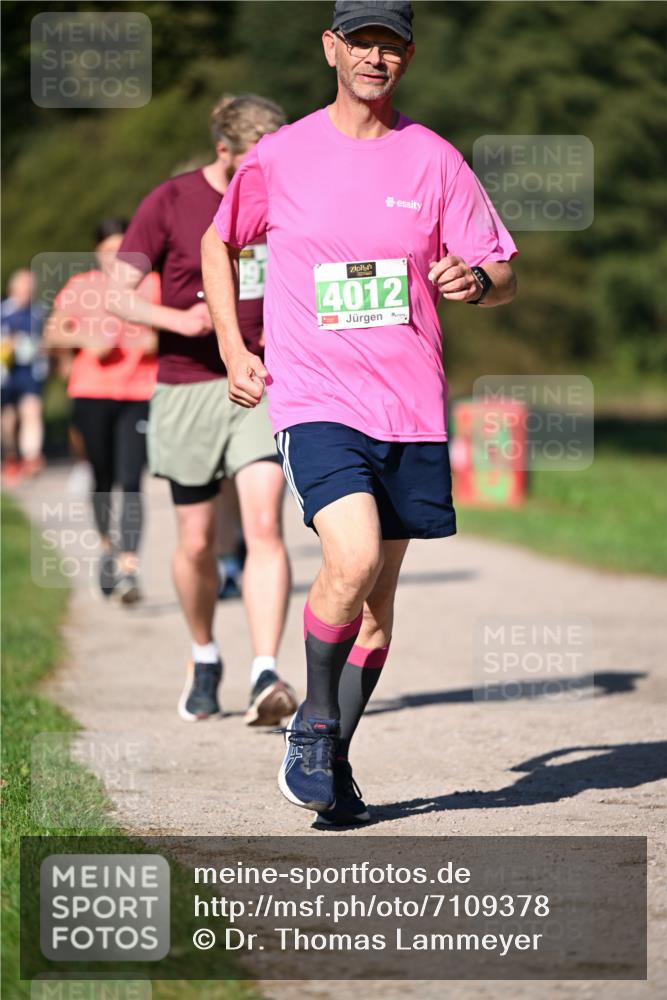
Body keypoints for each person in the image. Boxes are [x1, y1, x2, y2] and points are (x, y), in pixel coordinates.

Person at [201, 1, 518, 824]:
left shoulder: (434, 160)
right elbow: (219, 241)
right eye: (364, 43)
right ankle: (312, 723)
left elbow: (499, 266)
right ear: (331, 48)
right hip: (316, 397)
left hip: (409, 407)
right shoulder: (283, 154)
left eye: (393, 46)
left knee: (377, 608)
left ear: (407, 58)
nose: (378, 59)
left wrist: (475, 283)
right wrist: (237, 350)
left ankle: (330, 757)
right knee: (350, 558)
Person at [106, 95, 297, 727]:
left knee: (264, 524)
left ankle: (265, 670)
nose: (265, 171)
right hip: (188, 386)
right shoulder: (171, 201)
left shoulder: (287, 193)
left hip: (263, 384)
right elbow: (119, 295)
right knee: (194, 542)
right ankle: (204, 653)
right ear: (224, 151)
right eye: (253, 159)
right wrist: (182, 317)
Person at [44, 219, 159, 603]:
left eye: (121, 248)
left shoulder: (151, 285)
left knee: (131, 479)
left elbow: (178, 328)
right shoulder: (81, 287)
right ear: (96, 252)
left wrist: (154, 340)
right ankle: (108, 550)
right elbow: (52, 332)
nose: (115, 256)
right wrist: (84, 339)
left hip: (138, 394)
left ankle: (128, 568)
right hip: (91, 393)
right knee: (102, 478)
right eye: (107, 249)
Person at [1, 269, 48, 482]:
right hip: (6, 373)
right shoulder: (3, 312)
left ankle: (31, 457)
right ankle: (11, 457)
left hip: (30, 372)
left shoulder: (39, 313)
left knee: (32, 412)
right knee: (9, 419)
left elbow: (47, 341)